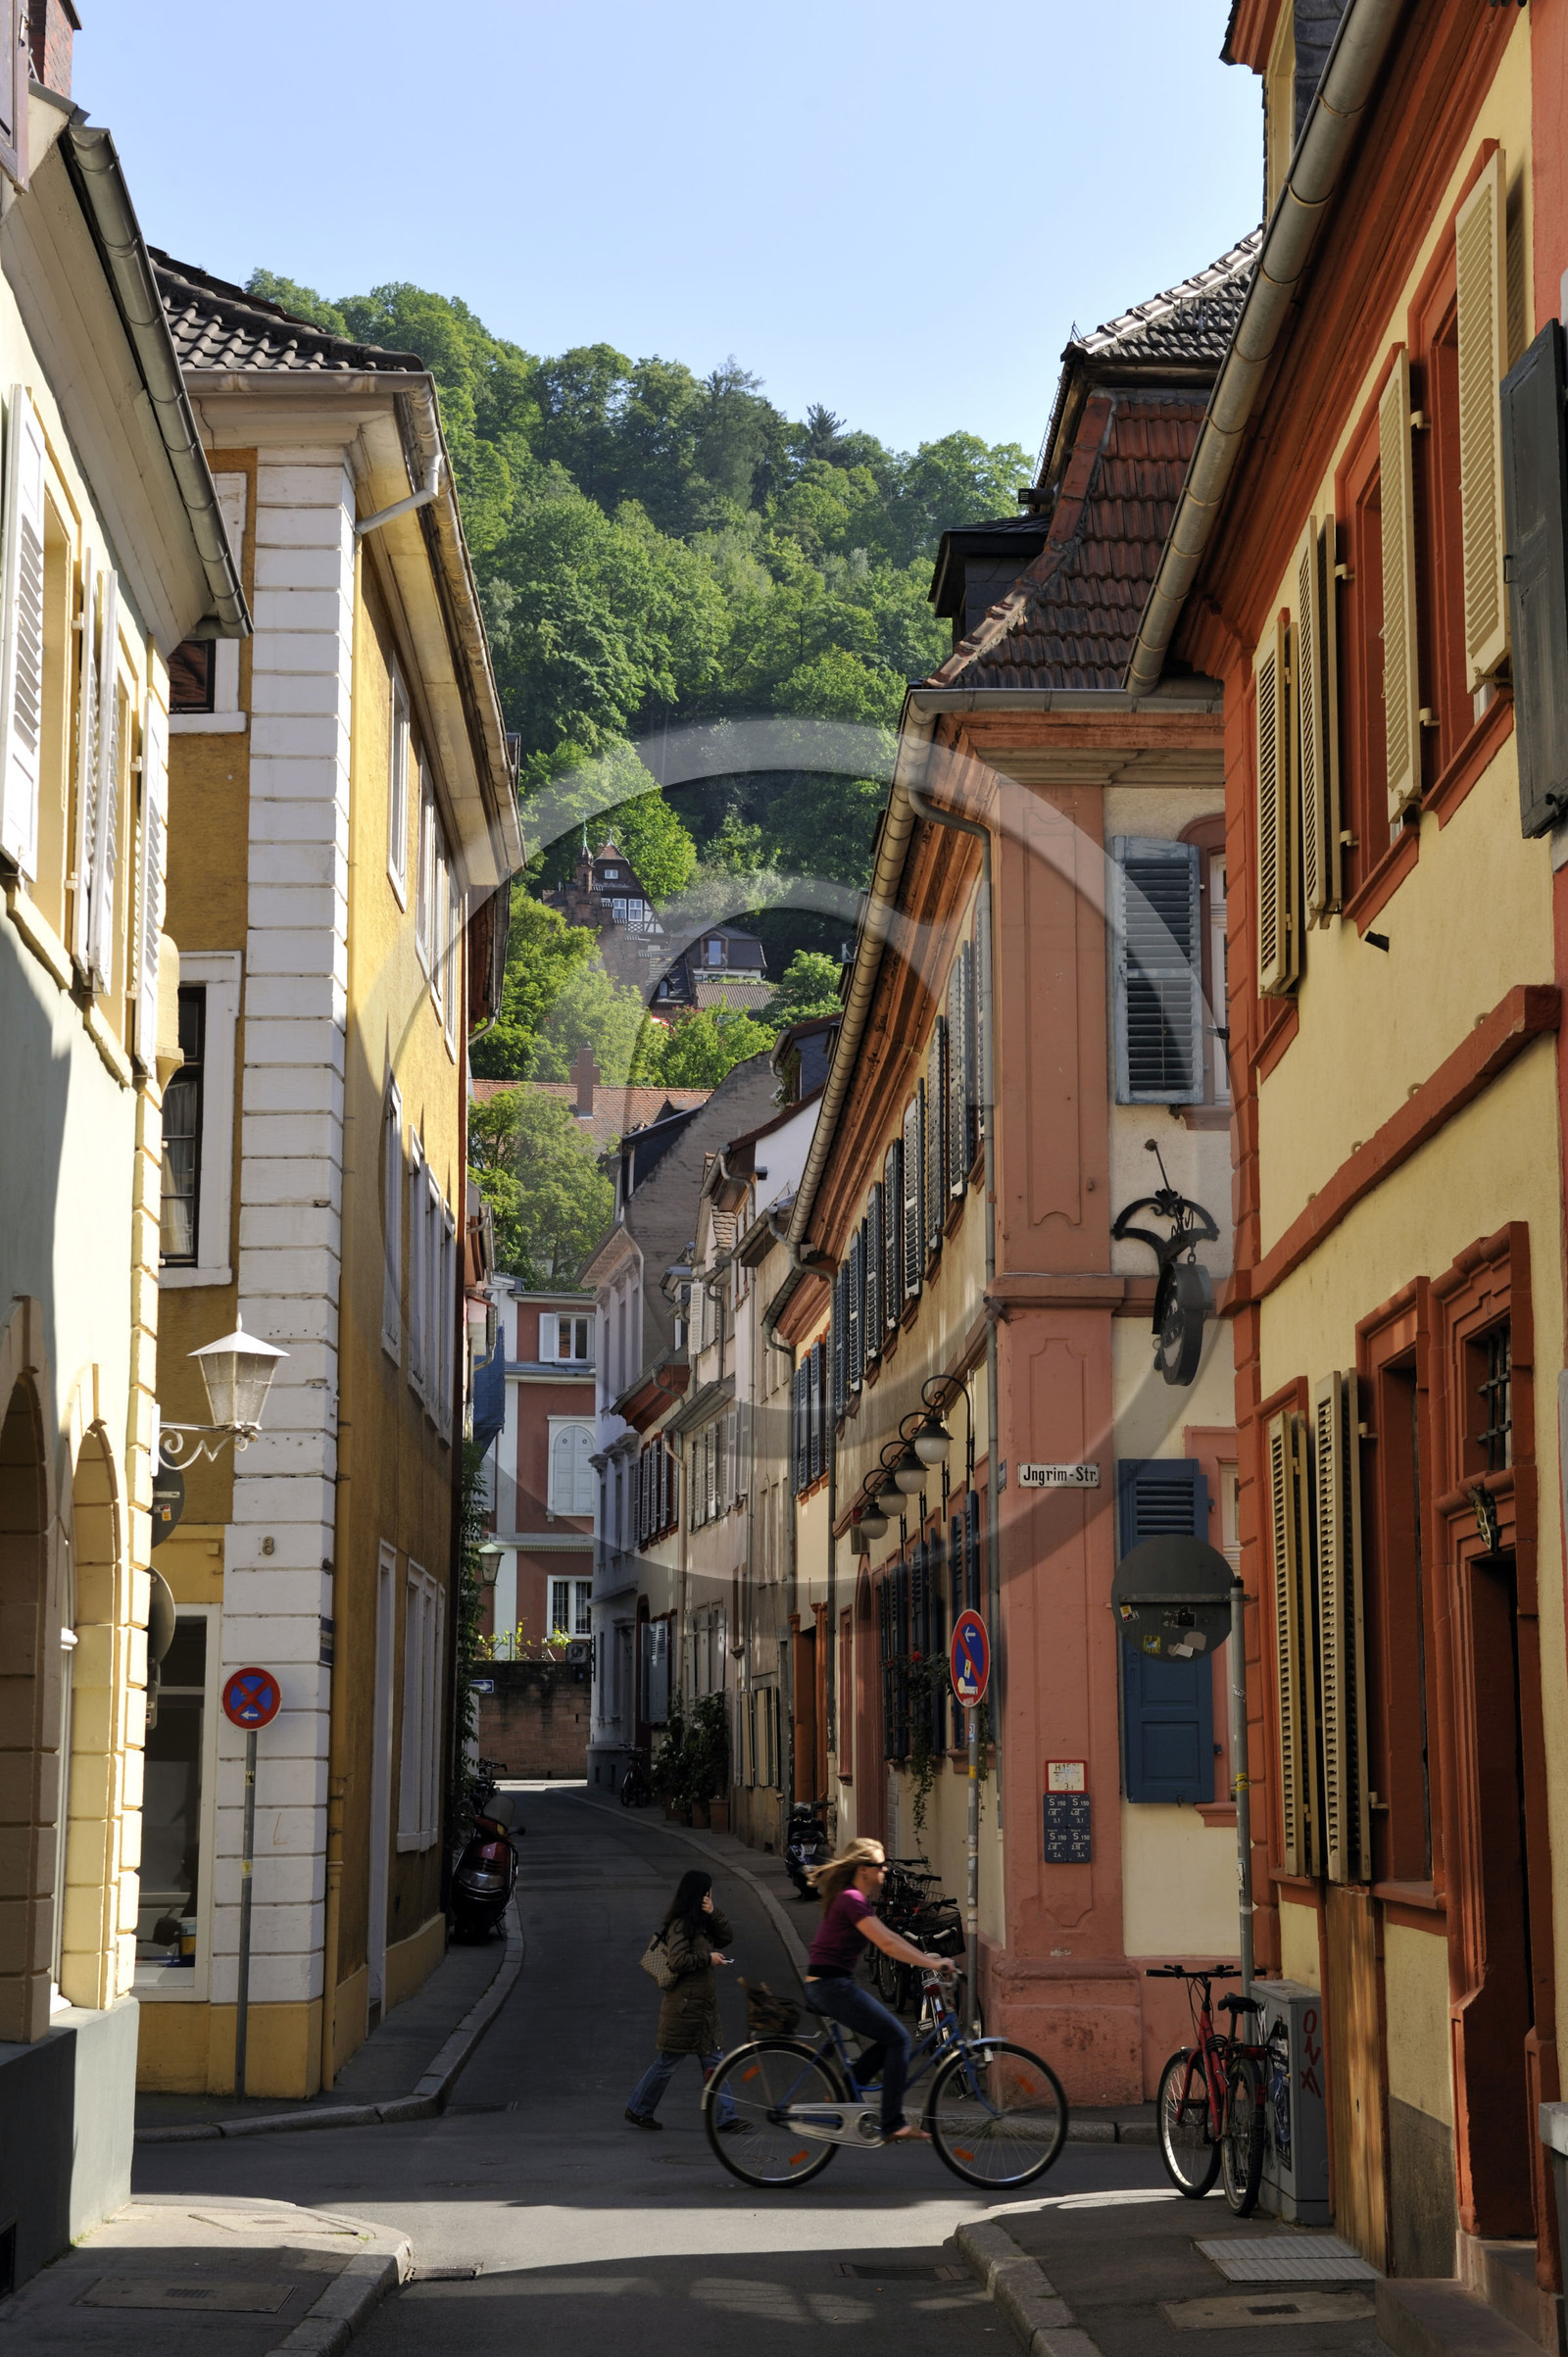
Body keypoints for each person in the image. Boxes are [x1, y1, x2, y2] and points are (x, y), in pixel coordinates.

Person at [804, 1837, 949, 2144]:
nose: (884, 1870)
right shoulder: (851, 1899)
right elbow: (886, 1944)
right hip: (830, 1986)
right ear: (862, 1869)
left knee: (888, 2038)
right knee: (897, 2037)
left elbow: (888, 1937)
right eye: (879, 1865)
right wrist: (932, 1964)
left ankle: (845, 2091)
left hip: (832, 1984)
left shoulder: (856, 1899)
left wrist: (925, 1960)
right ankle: (892, 2121)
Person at [625, 1869, 741, 2132]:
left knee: (714, 2061)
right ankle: (638, 2109)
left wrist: (714, 1912)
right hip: (685, 2008)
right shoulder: (681, 1924)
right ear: (699, 1894)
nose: (710, 1895)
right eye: (708, 1892)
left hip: (701, 2007)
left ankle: (727, 2117)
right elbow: (677, 1961)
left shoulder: (702, 1921)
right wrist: (707, 1958)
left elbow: (727, 1937)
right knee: (667, 2063)